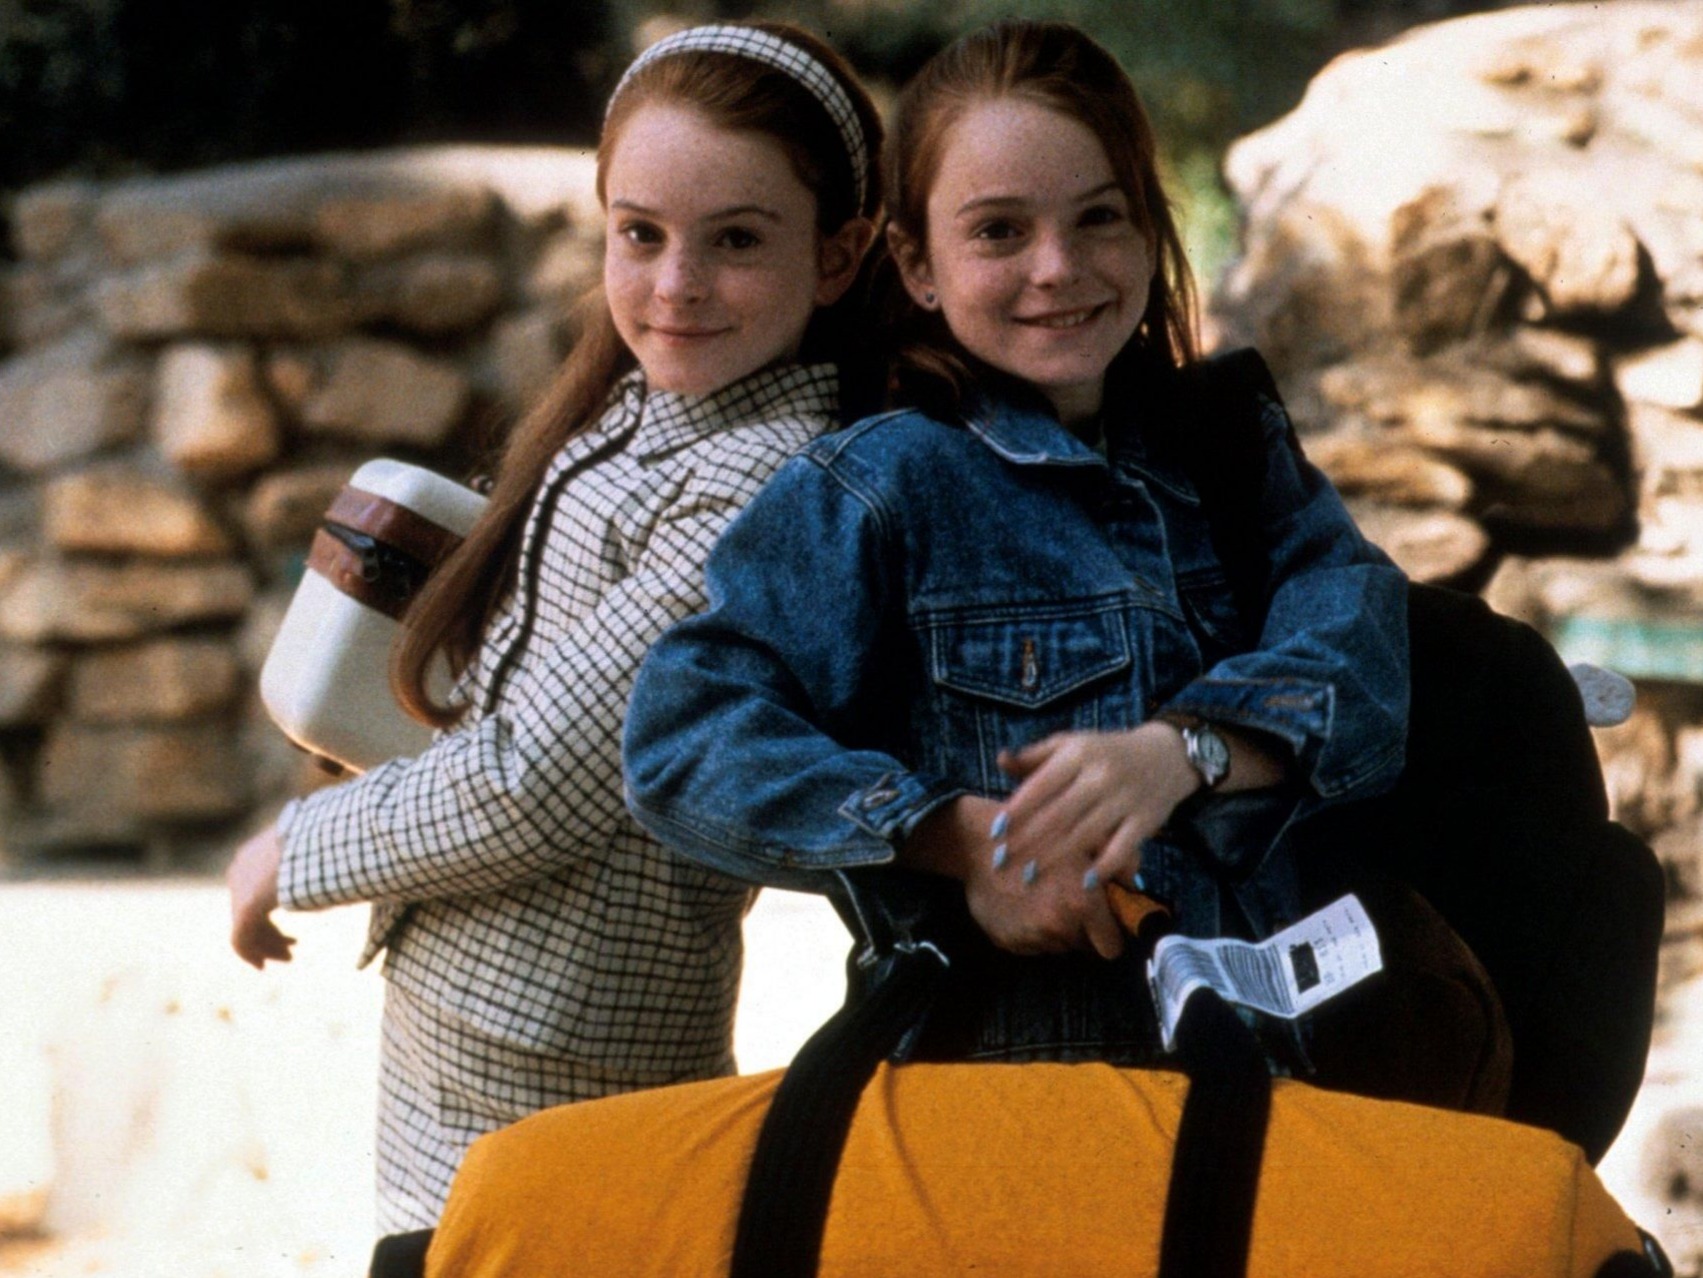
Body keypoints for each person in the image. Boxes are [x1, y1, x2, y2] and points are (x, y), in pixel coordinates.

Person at [622, 19, 1409, 1056]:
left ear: (1148, 230)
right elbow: (684, 737)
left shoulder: (1228, 447)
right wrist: (960, 841)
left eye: (1098, 218)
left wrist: (1185, 752)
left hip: (1276, 1074)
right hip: (1002, 1088)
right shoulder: (881, 484)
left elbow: (1365, 649)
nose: (1056, 267)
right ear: (916, 263)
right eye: (998, 231)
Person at [224, 20, 882, 1233]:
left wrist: (296, 848)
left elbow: (537, 783)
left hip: (567, 1060)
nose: (675, 284)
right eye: (641, 234)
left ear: (837, 256)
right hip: (479, 1032)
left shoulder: (758, 483)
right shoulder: (642, 416)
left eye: (737, 240)